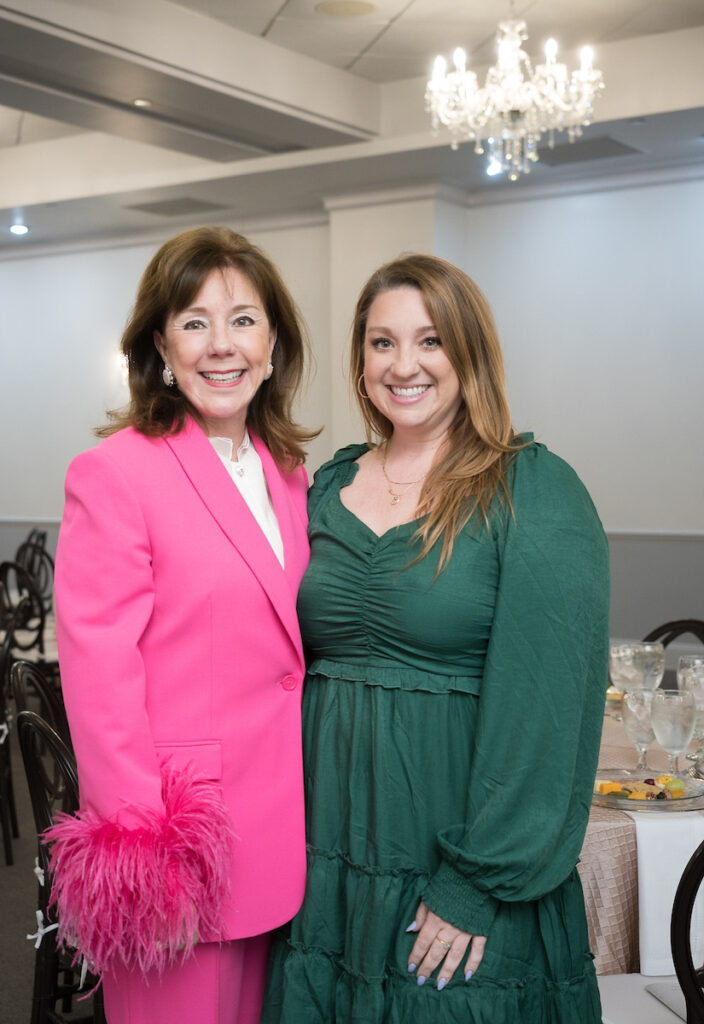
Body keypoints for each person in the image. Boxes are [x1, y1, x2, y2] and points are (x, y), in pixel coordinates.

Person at [261, 253, 610, 1023]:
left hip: (456, 850)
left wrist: (475, 883)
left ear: (469, 353)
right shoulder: (322, 485)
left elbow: (550, 714)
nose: (403, 364)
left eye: (430, 341)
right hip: (327, 850)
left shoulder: (533, 490)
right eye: (381, 342)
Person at [46, 226, 317, 1024]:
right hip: (179, 841)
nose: (220, 345)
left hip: (279, 827)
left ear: (273, 342)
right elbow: (99, 680)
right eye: (194, 322)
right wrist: (145, 853)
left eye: (242, 320)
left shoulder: (288, 473)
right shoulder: (116, 473)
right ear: (161, 344)